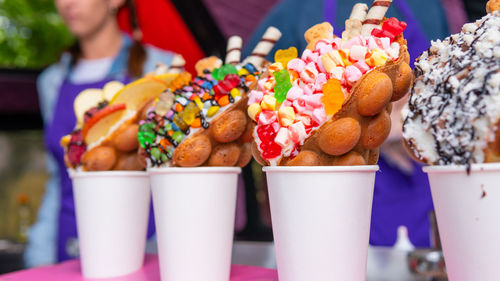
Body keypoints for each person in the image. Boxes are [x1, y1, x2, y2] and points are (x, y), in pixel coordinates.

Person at [244, 0, 459, 247]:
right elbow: (255, 99)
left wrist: (416, 115)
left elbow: (452, 86)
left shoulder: (427, 6)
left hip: (422, 183)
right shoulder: (298, 10)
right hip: (329, 190)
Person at [25, 0, 176, 267]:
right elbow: (57, 178)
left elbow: (177, 174)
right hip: (67, 247)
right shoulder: (50, 82)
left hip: (149, 249)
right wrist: (38, 257)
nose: (67, 4)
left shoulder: (162, 68)